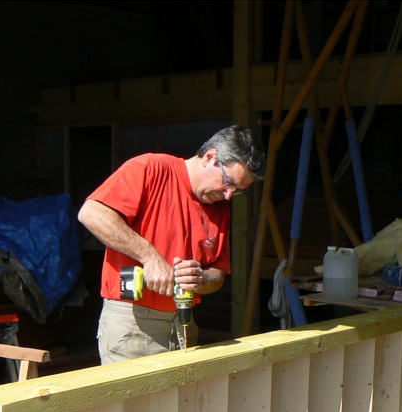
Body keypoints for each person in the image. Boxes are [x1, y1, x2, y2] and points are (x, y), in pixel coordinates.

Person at [78, 125, 266, 364]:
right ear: (210, 157)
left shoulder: (218, 204)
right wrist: (150, 257)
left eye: (238, 191)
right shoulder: (150, 169)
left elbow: (218, 275)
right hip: (132, 325)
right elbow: (91, 213)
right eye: (228, 183)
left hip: (183, 323)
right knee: (137, 403)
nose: (229, 195)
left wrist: (199, 278)